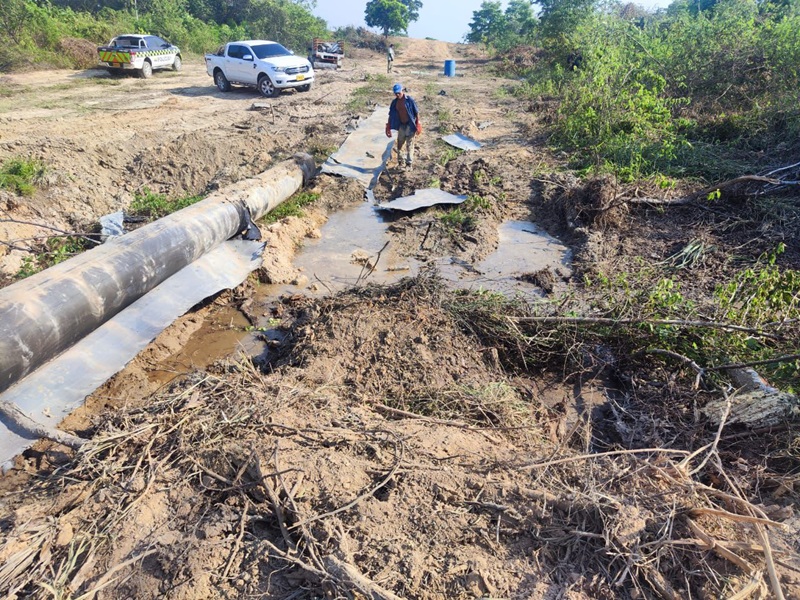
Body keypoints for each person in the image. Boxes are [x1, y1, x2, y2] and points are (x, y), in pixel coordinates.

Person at [385, 83, 422, 170]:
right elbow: (391, 115)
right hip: (401, 125)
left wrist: (418, 123)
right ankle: (401, 163)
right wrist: (388, 126)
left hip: (410, 125)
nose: (397, 95)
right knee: (400, 144)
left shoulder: (409, 100)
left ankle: (409, 164)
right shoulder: (394, 103)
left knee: (410, 145)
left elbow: (416, 112)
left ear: (402, 91)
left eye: (399, 93)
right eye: (396, 93)